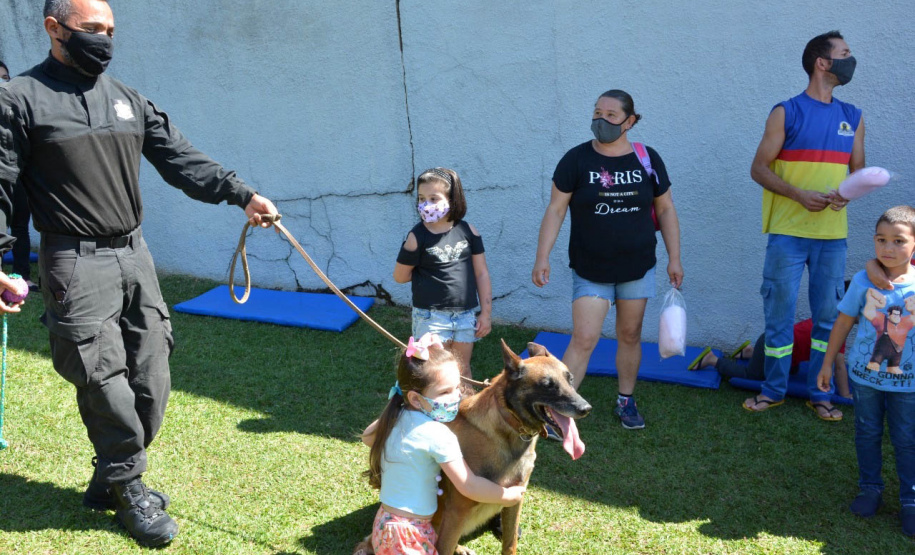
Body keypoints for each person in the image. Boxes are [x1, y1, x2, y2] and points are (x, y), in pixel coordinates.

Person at [0, 0, 278, 547]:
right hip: (73, 261)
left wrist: (241, 194)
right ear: (55, 29)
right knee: (102, 378)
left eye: (110, 30)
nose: (104, 39)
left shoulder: (126, 98)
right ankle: (129, 486)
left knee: (152, 375)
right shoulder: (18, 99)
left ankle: (110, 476)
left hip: (135, 254)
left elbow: (178, 157)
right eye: (92, 29)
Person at [532, 89, 683, 430]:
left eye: (611, 115)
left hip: (637, 266)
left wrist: (675, 258)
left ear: (630, 121)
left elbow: (665, 209)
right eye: (597, 113)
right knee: (584, 338)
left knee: (629, 335)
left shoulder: (647, 159)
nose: (602, 120)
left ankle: (626, 400)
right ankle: (557, 409)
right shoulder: (576, 160)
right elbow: (556, 210)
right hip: (591, 268)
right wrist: (542, 256)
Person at [744, 30, 864, 419]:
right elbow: (758, 169)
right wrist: (798, 195)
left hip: (833, 237)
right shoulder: (786, 111)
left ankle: (820, 394)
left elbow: (859, 173)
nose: (851, 60)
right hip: (787, 235)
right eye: (845, 53)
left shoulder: (853, 116)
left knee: (828, 322)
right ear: (822, 63)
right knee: (778, 318)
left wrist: (847, 193)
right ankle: (772, 390)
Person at [357, 335, 525, 555]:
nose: (456, 397)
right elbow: (469, 485)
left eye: (457, 387)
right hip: (408, 534)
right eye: (445, 392)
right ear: (416, 399)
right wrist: (507, 496)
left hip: (383, 523)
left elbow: (367, 437)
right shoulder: (438, 435)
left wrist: (400, 397)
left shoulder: (396, 416)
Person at [817, 205, 915, 537]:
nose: (888, 248)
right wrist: (827, 363)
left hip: (908, 384)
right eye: (881, 240)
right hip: (865, 379)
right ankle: (870, 489)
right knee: (867, 433)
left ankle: (910, 501)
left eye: (899, 241)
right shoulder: (862, 280)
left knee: (907, 440)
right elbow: (843, 322)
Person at [393, 167, 492, 380]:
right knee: (434, 374)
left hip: (465, 315)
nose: (426, 204)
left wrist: (485, 313)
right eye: (421, 198)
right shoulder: (416, 236)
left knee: (463, 372)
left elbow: (481, 273)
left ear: (452, 199)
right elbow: (400, 276)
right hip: (431, 317)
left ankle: (463, 403)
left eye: (433, 198)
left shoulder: (469, 231)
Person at [692, 318, 851, 399]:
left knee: (793, 371)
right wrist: (845, 394)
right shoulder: (837, 328)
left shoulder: (827, 317)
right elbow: (839, 367)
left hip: (780, 348)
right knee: (753, 375)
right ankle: (712, 360)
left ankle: (751, 353)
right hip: (773, 345)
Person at [0, 61, 37, 292]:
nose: (2, 82)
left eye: (5, 77)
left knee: (20, 225)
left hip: (16, 175)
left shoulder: (15, 106)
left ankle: (23, 276)